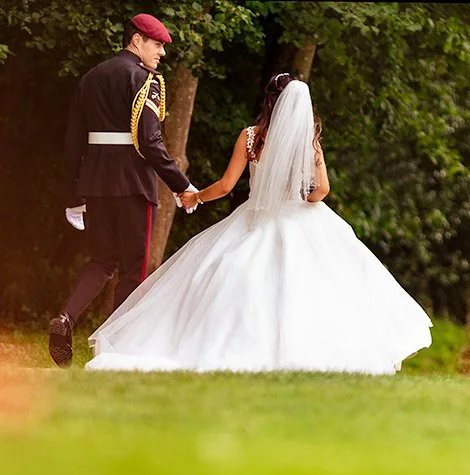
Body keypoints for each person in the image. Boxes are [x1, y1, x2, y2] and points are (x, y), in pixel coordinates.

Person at [86, 74, 432, 374]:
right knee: (323, 287)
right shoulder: (308, 141)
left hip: (256, 218)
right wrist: (299, 197)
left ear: (269, 101)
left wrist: (194, 196)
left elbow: (225, 186)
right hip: (302, 219)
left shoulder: (251, 137)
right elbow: (322, 191)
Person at [49, 13, 200, 367]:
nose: (161, 52)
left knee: (101, 261)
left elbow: (73, 143)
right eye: (158, 44)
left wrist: (74, 196)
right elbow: (149, 142)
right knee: (133, 269)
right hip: (133, 184)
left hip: (96, 184)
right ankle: (113, 350)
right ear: (137, 41)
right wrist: (182, 185)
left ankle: (65, 318)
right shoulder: (145, 80)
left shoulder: (91, 77)